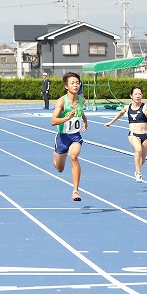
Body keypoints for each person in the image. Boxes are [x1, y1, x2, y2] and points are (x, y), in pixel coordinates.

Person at [105, 86, 147, 182]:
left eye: (139, 94)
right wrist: (110, 122)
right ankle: (138, 173)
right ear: (131, 96)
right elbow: (120, 114)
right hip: (133, 134)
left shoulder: (146, 107)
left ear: (142, 95)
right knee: (138, 149)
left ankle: (137, 170)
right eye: (135, 94)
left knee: (143, 159)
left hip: (145, 135)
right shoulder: (127, 107)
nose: (138, 96)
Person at [51, 72, 88, 201]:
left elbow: (81, 112)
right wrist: (67, 117)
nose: (75, 85)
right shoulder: (62, 101)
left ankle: (75, 191)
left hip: (75, 137)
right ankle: (56, 153)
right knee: (59, 168)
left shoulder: (82, 100)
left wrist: (85, 121)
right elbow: (53, 121)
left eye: (77, 83)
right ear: (66, 86)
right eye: (72, 83)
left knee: (74, 157)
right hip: (62, 137)